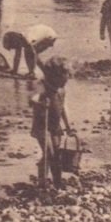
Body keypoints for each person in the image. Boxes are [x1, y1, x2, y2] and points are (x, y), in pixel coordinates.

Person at [29, 57, 74, 190]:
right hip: (42, 126)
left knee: (56, 154)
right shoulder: (43, 86)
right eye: (65, 76)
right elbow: (33, 98)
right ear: (54, 76)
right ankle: (42, 182)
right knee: (49, 153)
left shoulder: (61, 90)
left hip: (55, 127)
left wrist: (68, 126)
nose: (67, 79)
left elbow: (63, 107)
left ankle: (57, 181)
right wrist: (39, 102)